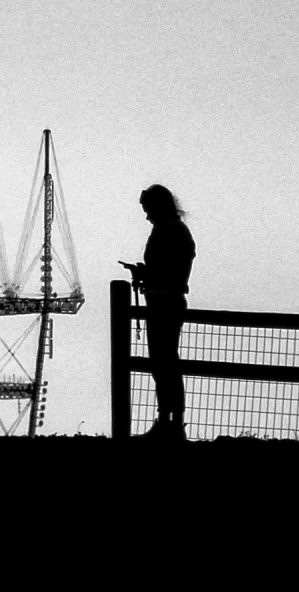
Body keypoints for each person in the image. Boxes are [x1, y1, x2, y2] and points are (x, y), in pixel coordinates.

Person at [127, 184, 196, 441]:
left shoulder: (170, 231)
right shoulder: (174, 230)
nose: (146, 215)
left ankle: (171, 422)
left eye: (147, 209)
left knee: (164, 363)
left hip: (164, 302)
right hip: (164, 300)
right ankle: (170, 421)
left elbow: (168, 270)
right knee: (164, 363)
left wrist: (145, 273)